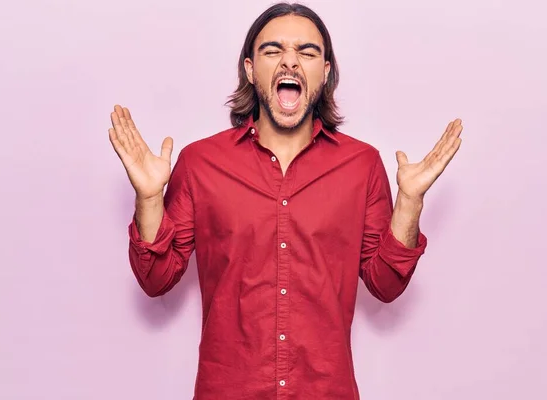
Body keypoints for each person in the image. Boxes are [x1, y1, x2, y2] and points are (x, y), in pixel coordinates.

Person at [108, 2, 463, 399]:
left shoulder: (361, 165)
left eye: (307, 52)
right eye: (273, 50)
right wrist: (149, 198)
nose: (290, 62)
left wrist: (410, 202)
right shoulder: (200, 163)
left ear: (324, 73)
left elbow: (385, 284)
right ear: (249, 69)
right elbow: (156, 279)